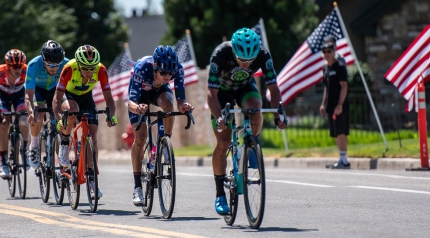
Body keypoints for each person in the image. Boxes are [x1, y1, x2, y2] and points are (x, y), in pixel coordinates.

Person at [206, 28, 287, 215]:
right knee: (223, 142)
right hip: (222, 94)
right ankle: (219, 195)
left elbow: (273, 89)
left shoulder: (263, 55)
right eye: (242, 60)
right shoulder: (221, 53)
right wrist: (219, 118)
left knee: (255, 107)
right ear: (234, 52)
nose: (246, 65)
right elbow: (211, 94)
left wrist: (278, 116)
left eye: (250, 62)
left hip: (244, 89)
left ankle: (251, 144)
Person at [126, 45, 194, 206]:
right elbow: (130, 103)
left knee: (168, 104)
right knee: (140, 138)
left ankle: (164, 143)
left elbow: (180, 98)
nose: (167, 76)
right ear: (155, 67)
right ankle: (137, 187)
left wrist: (184, 105)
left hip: (159, 92)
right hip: (139, 96)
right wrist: (138, 108)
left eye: (170, 74)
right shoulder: (143, 67)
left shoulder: (177, 69)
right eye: (163, 73)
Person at [53, 45, 118, 198]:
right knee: (73, 109)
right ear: (79, 65)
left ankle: (92, 179)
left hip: (87, 98)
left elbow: (109, 98)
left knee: (93, 138)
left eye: (92, 68)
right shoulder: (69, 68)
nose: (89, 72)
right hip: (68, 96)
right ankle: (64, 143)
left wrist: (112, 115)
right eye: (85, 68)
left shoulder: (101, 70)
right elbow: (56, 98)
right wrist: (58, 118)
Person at [24, 40, 70, 169]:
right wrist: (31, 112)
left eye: (57, 65)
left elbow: (71, 91)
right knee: (40, 113)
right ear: (43, 60)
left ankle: (63, 156)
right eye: (50, 64)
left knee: (63, 116)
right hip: (38, 91)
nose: (54, 68)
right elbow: (28, 95)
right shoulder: (33, 65)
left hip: (56, 90)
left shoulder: (67, 64)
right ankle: (34, 145)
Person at [0, 49, 30, 179]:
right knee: (4, 122)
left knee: (24, 120)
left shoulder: (26, 71)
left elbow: (30, 92)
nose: (18, 69)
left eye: (21, 65)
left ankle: (24, 151)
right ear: (8, 66)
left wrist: (30, 109)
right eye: (15, 66)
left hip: (19, 95)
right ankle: (3, 161)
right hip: (3, 97)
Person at [319, 36, 350, 169]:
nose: (327, 54)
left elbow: (344, 86)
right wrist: (323, 103)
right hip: (331, 105)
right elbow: (326, 87)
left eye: (329, 51)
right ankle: (341, 158)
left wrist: (340, 104)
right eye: (324, 52)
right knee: (335, 131)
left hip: (340, 104)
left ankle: (344, 159)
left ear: (334, 51)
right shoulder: (325, 68)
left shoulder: (340, 66)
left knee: (342, 130)